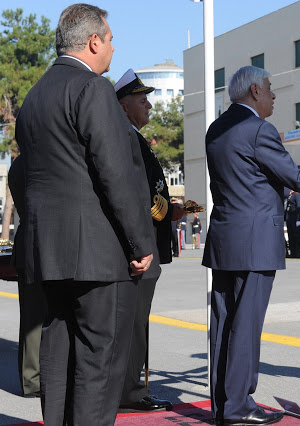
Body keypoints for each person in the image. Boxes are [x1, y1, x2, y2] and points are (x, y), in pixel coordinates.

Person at [15, 4, 157, 425]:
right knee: (99, 364)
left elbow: (22, 174)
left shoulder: (35, 96)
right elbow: (116, 172)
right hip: (98, 256)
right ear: (94, 41)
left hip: (50, 254)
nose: (113, 46)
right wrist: (140, 242)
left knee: (58, 359)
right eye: (110, 38)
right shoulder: (92, 88)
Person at [202, 65, 300, 425]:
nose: (273, 96)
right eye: (270, 89)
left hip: (225, 236)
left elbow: (245, 180)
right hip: (254, 241)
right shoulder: (258, 129)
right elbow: (295, 177)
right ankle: (239, 406)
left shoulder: (216, 128)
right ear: (254, 91)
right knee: (246, 324)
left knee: (223, 323)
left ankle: (224, 404)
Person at [114, 69, 185, 412]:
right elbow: (131, 195)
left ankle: (132, 389)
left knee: (137, 322)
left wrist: (168, 211)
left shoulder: (134, 139)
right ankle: (130, 393)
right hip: (140, 245)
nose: (149, 107)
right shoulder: (125, 139)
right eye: (142, 101)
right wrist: (160, 213)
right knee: (134, 323)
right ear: (125, 107)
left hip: (147, 238)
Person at [8, 155, 46, 399]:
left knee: (32, 316)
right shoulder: (42, 159)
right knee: (37, 317)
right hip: (41, 242)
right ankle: (34, 380)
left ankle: (31, 378)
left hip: (27, 242)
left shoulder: (19, 164)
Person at [284, 190, 300, 258]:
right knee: (291, 236)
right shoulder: (290, 196)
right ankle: (293, 252)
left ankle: (298, 253)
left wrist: (298, 219)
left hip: (295, 218)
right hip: (289, 218)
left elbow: (299, 207)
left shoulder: (297, 195)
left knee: (296, 236)